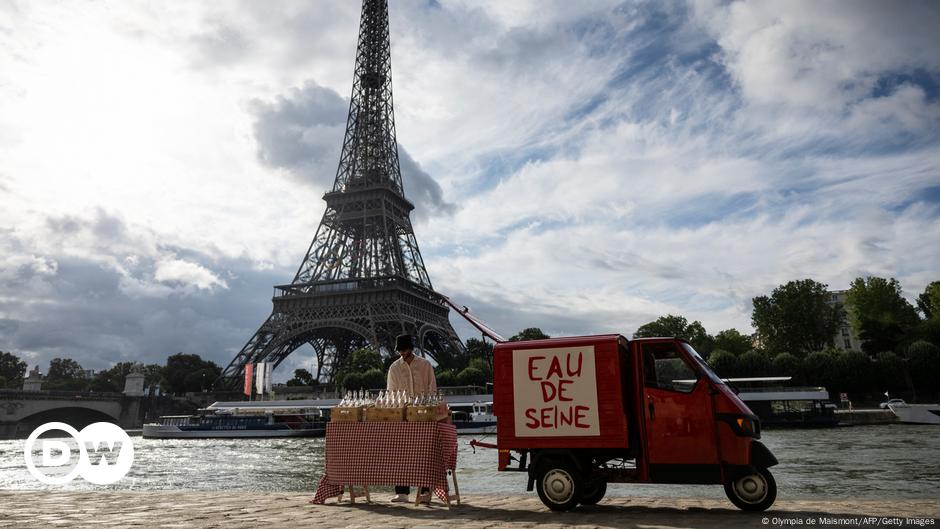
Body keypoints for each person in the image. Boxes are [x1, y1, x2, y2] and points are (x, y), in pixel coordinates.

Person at [387, 333, 437, 503]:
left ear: (411, 348)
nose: (402, 352)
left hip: (423, 415)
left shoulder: (425, 365)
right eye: (400, 350)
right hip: (402, 416)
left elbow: (432, 389)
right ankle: (402, 492)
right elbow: (391, 393)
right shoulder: (394, 368)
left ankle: (424, 491)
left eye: (404, 349)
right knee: (400, 454)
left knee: (424, 454)